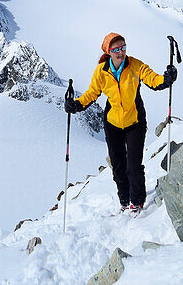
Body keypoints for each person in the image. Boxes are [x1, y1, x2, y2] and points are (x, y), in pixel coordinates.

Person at [65, 32, 176, 217]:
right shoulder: (102, 71)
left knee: (133, 166)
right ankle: (124, 201)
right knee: (118, 166)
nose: (121, 52)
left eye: (123, 47)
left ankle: (137, 202)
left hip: (135, 122)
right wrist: (76, 104)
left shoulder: (135, 65)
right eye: (116, 49)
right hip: (113, 124)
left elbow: (152, 79)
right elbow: (92, 93)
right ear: (108, 52)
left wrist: (166, 79)